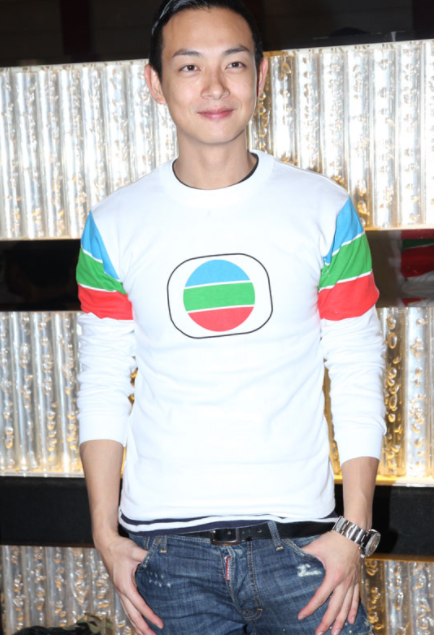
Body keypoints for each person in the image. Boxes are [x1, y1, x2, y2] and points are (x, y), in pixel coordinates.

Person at [76, 1, 386, 634]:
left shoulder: (324, 209)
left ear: (261, 75)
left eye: (234, 64)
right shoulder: (113, 224)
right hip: (165, 556)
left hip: (306, 549)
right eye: (190, 66)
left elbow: (357, 366)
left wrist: (354, 528)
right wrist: (104, 534)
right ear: (155, 82)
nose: (215, 87)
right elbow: (102, 381)